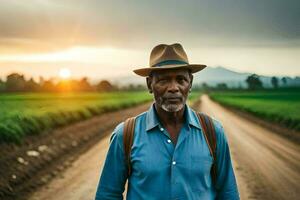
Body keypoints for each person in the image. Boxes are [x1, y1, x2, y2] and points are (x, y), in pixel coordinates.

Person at [95, 43, 240, 200]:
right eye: (164, 80)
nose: (173, 88)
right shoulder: (125, 135)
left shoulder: (213, 131)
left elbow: (228, 193)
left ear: (190, 83)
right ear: (150, 84)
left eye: (181, 80)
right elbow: (107, 195)